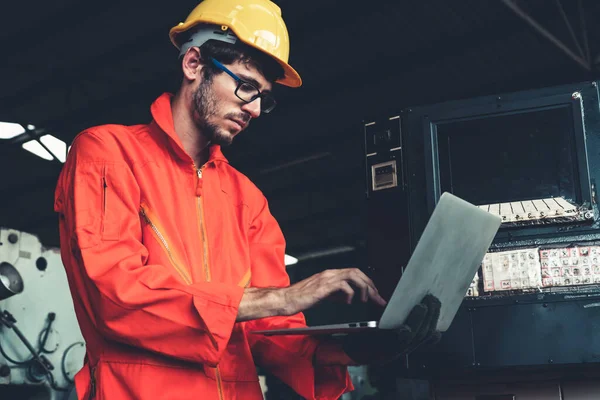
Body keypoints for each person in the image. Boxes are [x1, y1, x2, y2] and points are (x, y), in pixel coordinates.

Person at [53, 0, 441, 399]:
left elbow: (267, 334)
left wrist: (350, 350)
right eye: (245, 85)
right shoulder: (107, 154)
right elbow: (116, 296)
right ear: (193, 64)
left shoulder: (246, 198)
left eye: (263, 97)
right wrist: (285, 297)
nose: (254, 109)